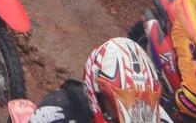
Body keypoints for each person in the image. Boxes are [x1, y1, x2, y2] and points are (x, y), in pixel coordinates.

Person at [27, 37, 164, 123]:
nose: (129, 114)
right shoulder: (55, 113)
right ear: (98, 95)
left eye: (141, 104)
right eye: (117, 107)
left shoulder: (159, 116)